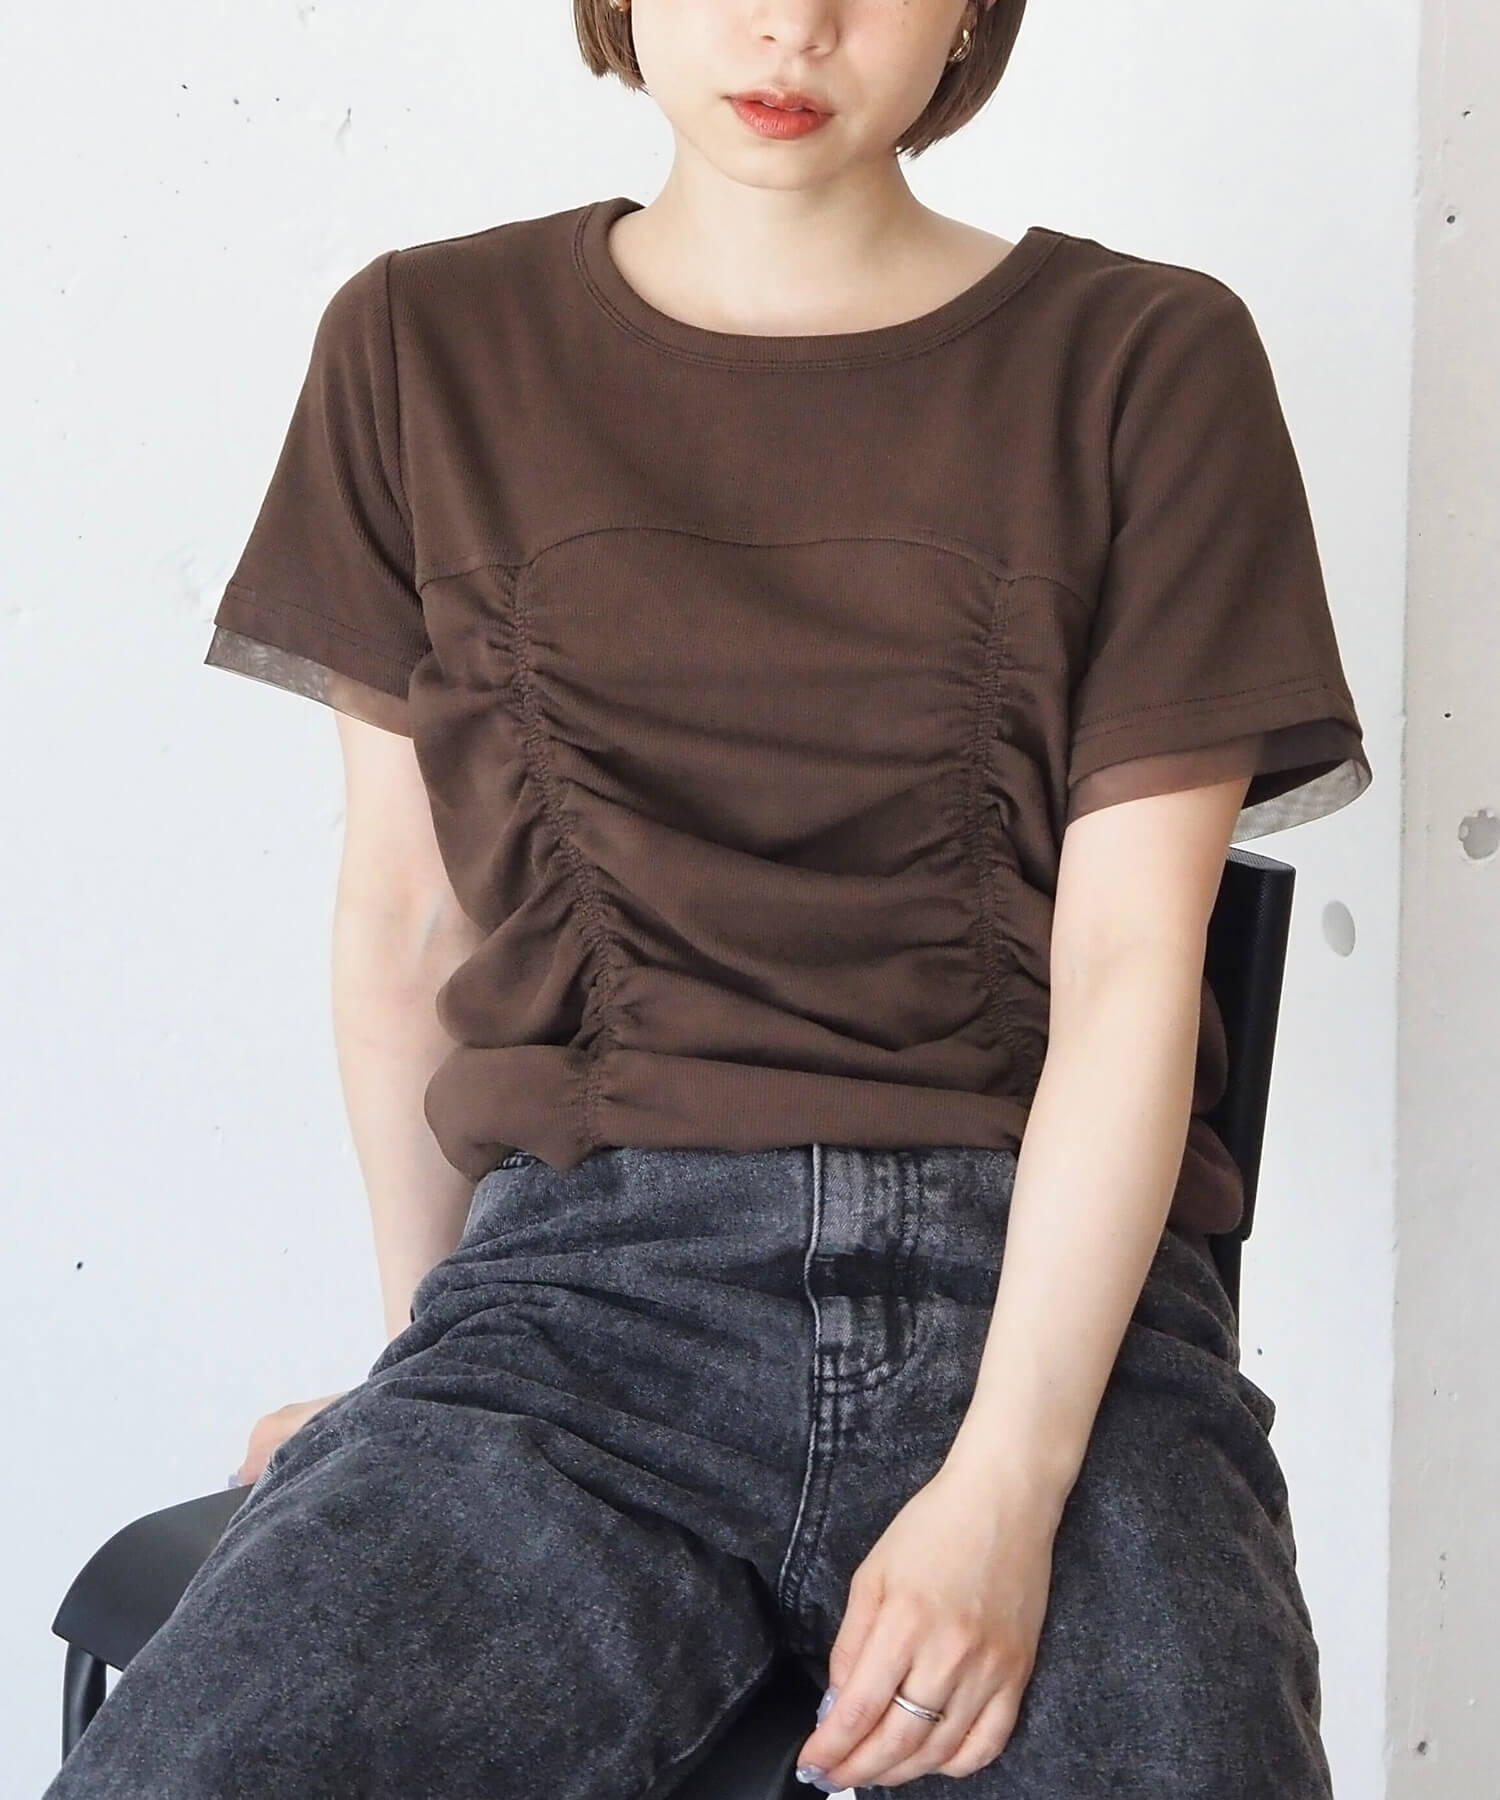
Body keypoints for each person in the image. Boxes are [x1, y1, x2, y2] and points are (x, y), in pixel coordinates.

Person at [44, 1, 1374, 1795]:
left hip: (1054, 1317)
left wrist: (1005, 1485)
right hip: (580, 1308)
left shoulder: (1145, 357)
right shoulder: (424, 344)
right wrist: (423, 1366)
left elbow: (1138, 962)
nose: (790, 24)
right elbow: (406, 923)